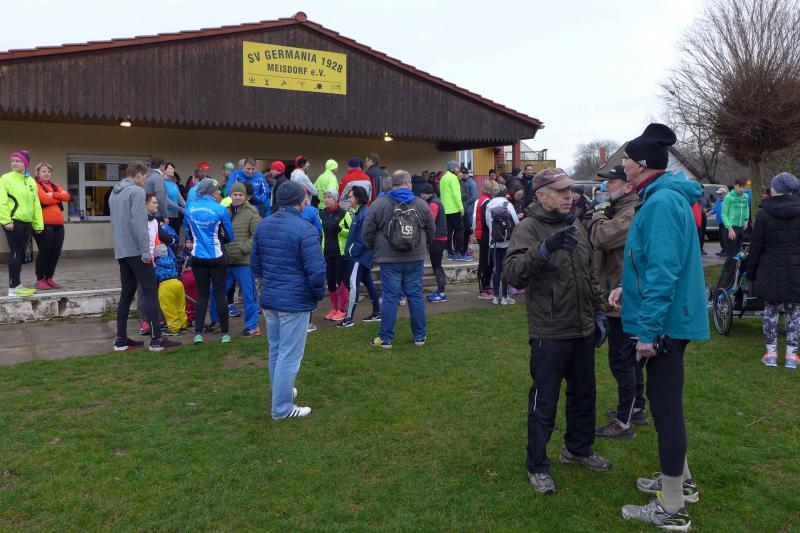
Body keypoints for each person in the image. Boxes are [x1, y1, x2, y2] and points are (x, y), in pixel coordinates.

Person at [609, 123, 709, 530]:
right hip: (669, 318)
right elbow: (649, 263)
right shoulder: (659, 196)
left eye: (627, 159)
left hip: (666, 324)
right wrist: (627, 290)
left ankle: (672, 508)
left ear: (642, 164)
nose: (623, 165)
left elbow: (664, 271)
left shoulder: (662, 202)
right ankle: (681, 483)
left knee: (666, 411)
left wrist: (648, 332)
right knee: (665, 404)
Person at [504, 167, 610, 495]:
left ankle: (577, 449)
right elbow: (513, 273)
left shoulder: (575, 224)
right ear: (541, 195)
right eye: (562, 191)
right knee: (544, 399)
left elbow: (590, 273)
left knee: (584, 394)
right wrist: (543, 250)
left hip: (582, 327)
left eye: (570, 190)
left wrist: (599, 312)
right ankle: (537, 464)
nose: (570, 196)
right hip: (549, 330)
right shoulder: (528, 228)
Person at [251, 180, 325, 419]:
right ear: (299, 201)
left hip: (272, 297)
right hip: (293, 300)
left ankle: (280, 393)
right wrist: (317, 294)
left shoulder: (264, 225)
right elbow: (316, 271)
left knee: (277, 349)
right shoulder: (306, 229)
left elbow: (256, 264)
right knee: (289, 354)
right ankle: (282, 407)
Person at [586, 164, 646, 439]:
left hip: (623, 297)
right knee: (629, 359)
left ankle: (624, 421)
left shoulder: (631, 211)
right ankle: (636, 409)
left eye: (611, 182)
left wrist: (597, 215)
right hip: (617, 292)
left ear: (628, 186)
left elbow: (602, 237)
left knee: (622, 361)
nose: (605, 186)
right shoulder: (618, 209)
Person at [109, 160, 180, 352]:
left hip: (122, 251)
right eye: (145, 177)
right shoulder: (137, 192)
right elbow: (139, 224)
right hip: (137, 252)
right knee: (150, 293)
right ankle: (156, 339)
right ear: (139, 174)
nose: (145, 181)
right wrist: (145, 252)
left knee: (126, 294)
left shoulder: (114, 193)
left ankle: (121, 339)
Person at [363, 170, 435, 348]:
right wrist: (423, 246)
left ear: (391, 184)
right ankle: (420, 337)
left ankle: (386, 338)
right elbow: (431, 229)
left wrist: (375, 248)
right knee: (415, 296)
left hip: (389, 260)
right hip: (415, 258)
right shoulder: (421, 204)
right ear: (409, 183)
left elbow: (367, 231)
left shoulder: (379, 204)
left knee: (390, 297)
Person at [746, 172, 800, 368]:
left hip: (770, 271)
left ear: (775, 189)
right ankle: (791, 357)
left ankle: (771, 355)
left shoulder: (763, 214)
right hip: (795, 270)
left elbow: (755, 248)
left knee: (771, 312)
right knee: (795, 313)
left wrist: (750, 276)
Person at [184, 178, 235, 345]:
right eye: (217, 189)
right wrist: (220, 239)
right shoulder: (220, 209)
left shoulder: (190, 207)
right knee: (220, 294)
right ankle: (225, 334)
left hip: (198, 256)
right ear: (212, 191)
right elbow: (230, 235)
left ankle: (198, 334)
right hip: (216, 256)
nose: (219, 192)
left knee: (202, 295)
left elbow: (188, 232)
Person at [337, 185, 381, 328]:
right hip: (360, 256)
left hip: (359, 257)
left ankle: (348, 319)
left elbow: (363, 238)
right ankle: (377, 313)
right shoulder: (359, 212)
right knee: (368, 283)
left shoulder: (363, 214)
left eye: (350, 196)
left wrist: (352, 252)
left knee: (353, 285)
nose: (348, 199)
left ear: (357, 198)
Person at [1, 150, 43, 296]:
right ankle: (13, 288)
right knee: (16, 252)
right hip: (13, 221)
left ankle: (18, 285)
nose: (14, 163)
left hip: (27, 222)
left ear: (25, 163)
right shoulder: (6, 178)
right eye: (12, 161)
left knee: (21, 253)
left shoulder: (31, 181)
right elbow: (1, 201)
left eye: (18, 161)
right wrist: (6, 220)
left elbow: (36, 204)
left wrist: (38, 224)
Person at [225, 182, 261, 337]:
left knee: (248, 295)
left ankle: (252, 326)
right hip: (226, 260)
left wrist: (243, 248)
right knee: (217, 292)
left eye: (241, 195)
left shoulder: (252, 212)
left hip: (244, 261)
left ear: (245, 196)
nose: (238, 197)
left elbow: (256, 235)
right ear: (230, 195)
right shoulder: (225, 212)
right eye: (235, 194)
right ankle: (216, 322)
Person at [33, 162, 69, 290]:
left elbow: (67, 196)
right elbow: (44, 199)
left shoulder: (55, 186)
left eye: (49, 171)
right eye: (43, 171)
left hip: (59, 225)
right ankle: (40, 279)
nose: (47, 173)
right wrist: (59, 196)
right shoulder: (36, 185)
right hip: (45, 225)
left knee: (55, 253)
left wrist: (53, 195)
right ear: (38, 173)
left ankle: (49, 278)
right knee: (45, 252)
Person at [485, 185, 519, 305]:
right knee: (505, 270)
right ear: (505, 193)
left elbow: (488, 223)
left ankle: (495, 297)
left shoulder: (489, 206)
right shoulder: (508, 205)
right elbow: (516, 222)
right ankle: (505, 297)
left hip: (494, 243)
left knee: (496, 270)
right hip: (507, 243)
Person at [319, 189, 348, 321]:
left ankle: (342, 309)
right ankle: (334, 308)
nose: (326, 200)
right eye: (325, 197)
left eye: (329, 197)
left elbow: (351, 231)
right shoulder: (321, 214)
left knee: (340, 281)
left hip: (340, 253)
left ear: (335, 199)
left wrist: (340, 230)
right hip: (327, 252)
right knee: (330, 281)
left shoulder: (343, 213)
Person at [419, 183, 448, 302]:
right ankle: (441, 290)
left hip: (437, 239)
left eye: (422, 194)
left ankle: (441, 293)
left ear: (426, 194)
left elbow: (430, 222)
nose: (421, 196)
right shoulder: (436, 201)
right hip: (440, 238)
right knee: (437, 265)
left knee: (436, 266)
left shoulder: (433, 204)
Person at [474, 179, 496, 299]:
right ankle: (482, 289)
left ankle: (487, 285)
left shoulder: (485, 200)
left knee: (489, 261)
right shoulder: (485, 201)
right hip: (484, 234)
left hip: (484, 234)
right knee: (484, 261)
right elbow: (485, 220)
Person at [440, 160, 466, 260]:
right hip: (454, 209)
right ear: (453, 168)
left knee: (449, 232)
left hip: (445, 209)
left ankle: (450, 253)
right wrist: (461, 208)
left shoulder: (443, 178)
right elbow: (456, 194)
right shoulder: (454, 178)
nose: (459, 170)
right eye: (458, 168)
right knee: (459, 230)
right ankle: (458, 252)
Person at [722, 178, 750, 257]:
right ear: (735, 186)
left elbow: (746, 207)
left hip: (741, 227)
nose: (742, 189)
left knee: (738, 254)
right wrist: (730, 229)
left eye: (743, 187)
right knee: (731, 254)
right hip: (732, 227)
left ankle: (736, 265)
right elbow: (724, 214)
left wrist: (746, 220)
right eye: (739, 187)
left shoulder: (745, 196)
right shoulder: (728, 197)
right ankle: (729, 265)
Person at [144, 158, 170, 224]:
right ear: (161, 165)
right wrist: (165, 216)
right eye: (164, 166)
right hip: (157, 214)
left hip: (147, 212)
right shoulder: (158, 177)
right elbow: (160, 198)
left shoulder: (147, 176)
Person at [164, 162, 186, 238]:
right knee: (167, 239)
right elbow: (165, 199)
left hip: (176, 216)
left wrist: (189, 207)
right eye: (170, 169)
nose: (173, 170)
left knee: (176, 238)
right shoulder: (162, 183)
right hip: (166, 217)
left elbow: (180, 199)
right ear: (164, 170)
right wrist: (180, 209)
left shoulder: (174, 184)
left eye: (173, 169)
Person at [460, 167, 478, 257]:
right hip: (465, 209)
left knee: (469, 228)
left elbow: (474, 197)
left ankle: (470, 247)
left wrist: (464, 203)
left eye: (461, 173)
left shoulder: (471, 183)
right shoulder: (464, 182)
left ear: (464, 173)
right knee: (465, 228)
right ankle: (465, 247)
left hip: (469, 210)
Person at [713, 187, 727, 256]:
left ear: (724, 193)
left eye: (720, 194)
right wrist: (710, 212)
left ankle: (726, 251)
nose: (719, 195)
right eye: (719, 194)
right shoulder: (718, 200)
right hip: (720, 222)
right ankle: (723, 249)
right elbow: (715, 209)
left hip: (725, 222)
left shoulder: (727, 200)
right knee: (721, 237)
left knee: (724, 237)